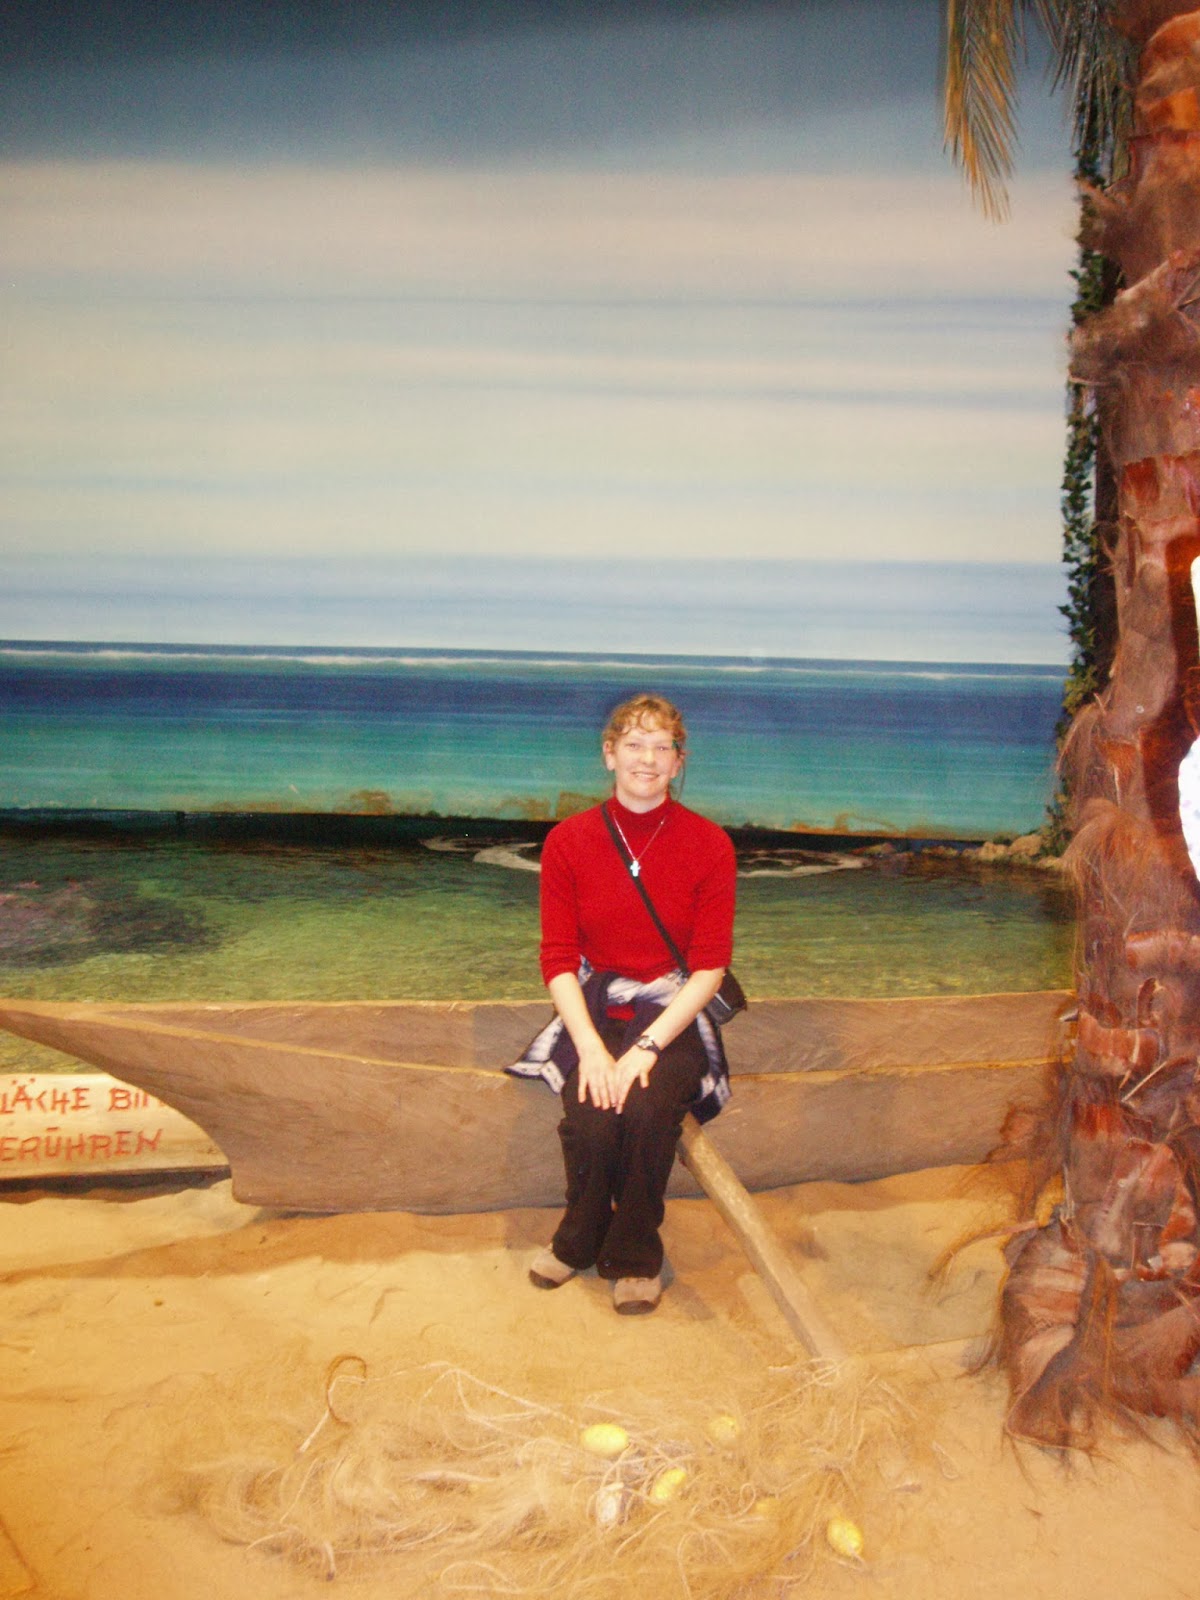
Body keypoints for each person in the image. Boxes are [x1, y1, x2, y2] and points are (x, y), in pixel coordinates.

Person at [508, 693, 736, 1314]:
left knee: (648, 1110)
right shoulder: (569, 840)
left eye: (663, 747)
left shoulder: (710, 844)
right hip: (594, 1008)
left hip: (671, 1012)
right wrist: (589, 1047)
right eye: (634, 744)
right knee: (590, 1113)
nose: (648, 759)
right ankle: (579, 1238)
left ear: (679, 761)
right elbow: (558, 958)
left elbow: (709, 967)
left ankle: (635, 1253)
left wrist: (646, 1049)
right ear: (609, 755)